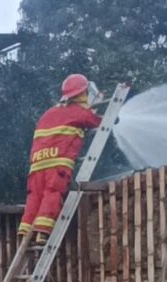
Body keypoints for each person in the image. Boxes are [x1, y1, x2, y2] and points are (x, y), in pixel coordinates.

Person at [18, 73, 104, 245]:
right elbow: (96, 121)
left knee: (34, 197)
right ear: (83, 93)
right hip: (57, 165)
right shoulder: (78, 112)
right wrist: (110, 118)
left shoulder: (48, 114)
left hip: (36, 167)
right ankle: (43, 232)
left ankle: (24, 232)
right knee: (52, 194)